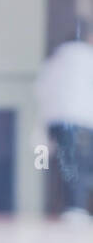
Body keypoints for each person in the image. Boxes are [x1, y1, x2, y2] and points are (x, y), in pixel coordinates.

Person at [35, 22, 93, 220]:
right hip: (83, 121)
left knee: (68, 164)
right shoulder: (88, 58)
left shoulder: (55, 60)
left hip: (58, 121)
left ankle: (72, 209)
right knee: (82, 164)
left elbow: (41, 91)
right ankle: (77, 210)